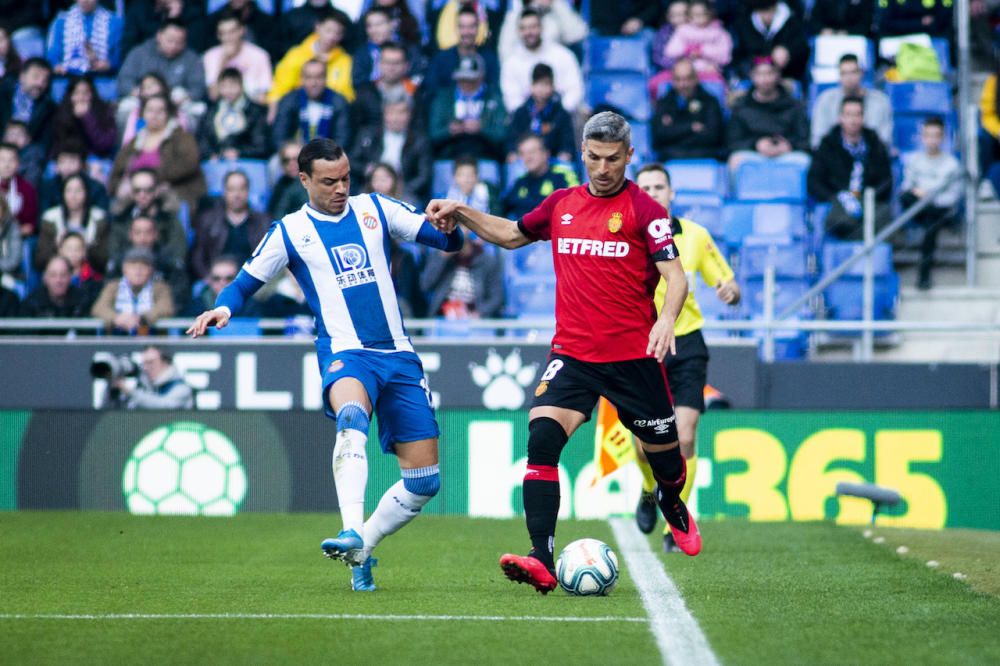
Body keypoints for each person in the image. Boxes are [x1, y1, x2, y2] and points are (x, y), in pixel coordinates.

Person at [425, 111, 699, 594]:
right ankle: (541, 558)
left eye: (613, 159)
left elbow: (676, 277)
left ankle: (671, 500)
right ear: (582, 154)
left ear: (629, 156)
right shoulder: (561, 204)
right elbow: (510, 234)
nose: (603, 168)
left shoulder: (646, 212)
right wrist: (461, 210)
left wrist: (664, 320)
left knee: (667, 459)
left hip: (633, 358)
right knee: (542, 440)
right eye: (593, 158)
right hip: (573, 354)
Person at [186, 137, 464, 592]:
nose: (341, 188)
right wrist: (223, 309)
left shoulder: (376, 208)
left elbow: (444, 241)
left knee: (424, 482)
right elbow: (243, 282)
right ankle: (351, 526)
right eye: (330, 181)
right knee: (352, 416)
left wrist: (450, 225)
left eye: (346, 178)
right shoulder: (290, 231)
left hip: (398, 354)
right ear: (304, 180)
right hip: (345, 352)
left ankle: (362, 548)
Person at [631, 163, 739, 551]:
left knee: (685, 436)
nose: (654, 192)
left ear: (671, 193)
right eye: (646, 187)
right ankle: (648, 490)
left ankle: (673, 518)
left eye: (660, 186)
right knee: (644, 444)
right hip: (641, 345)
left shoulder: (694, 236)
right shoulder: (626, 233)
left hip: (688, 343)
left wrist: (730, 292)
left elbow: (725, 281)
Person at [807, 96, 893, 240]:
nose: (853, 120)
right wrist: (837, 196)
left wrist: (869, 197)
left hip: (868, 201)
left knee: (883, 217)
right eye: (848, 114)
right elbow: (814, 181)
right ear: (840, 117)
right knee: (839, 220)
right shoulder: (827, 145)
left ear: (863, 117)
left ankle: (857, 250)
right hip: (837, 200)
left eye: (857, 114)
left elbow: (886, 180)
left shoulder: (875, 143)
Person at [108, 94, 207, 213]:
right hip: (136, 194)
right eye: (150, 110)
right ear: (143, 114)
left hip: (173, 191)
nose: (154, 115)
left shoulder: (182, 138)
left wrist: (154, 181)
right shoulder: (133, 143)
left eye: (160, 111)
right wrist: (120, 186)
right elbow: (116, 172)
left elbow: (189, 164)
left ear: (168, 114)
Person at [900, 117, 962, 290]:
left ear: (942, 138)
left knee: (931, 221)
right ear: (922, 137)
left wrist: (926, 196)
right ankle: (924, 276)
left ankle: (924, 276)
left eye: (936, 135)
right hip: (919, 209)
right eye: (928, 135)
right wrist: (925, 196)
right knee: (907, 199)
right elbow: (906, 188)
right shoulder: (914, 160)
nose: (932, 140)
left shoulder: (952, 164)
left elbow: (952, 197)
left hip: (938, 210)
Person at [726, 57, 810, 173]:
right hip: (753, 153)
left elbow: (804, 139)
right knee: (736, 160)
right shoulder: (741, 107)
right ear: (752, 76)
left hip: (787, 154)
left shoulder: (794, 106)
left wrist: (788, 145)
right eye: (760, 74)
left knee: (804, 161)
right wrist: (756, 144)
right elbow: (732, 142)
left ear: (778, 75)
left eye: (770, 73)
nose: (765, 79)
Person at [349, 93, 431, 201]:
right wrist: (366, 169)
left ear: (410, 114)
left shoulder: (419, 140)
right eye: (391, 112)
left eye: (401, 112)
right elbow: (353, 161)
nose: (395, 118)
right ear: (384, 114)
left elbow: (423, 176)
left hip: (405, 194)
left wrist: (399, 190)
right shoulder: (369, 135)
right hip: (370, 190)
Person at [500, 9, 584, 115]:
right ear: (518, 31)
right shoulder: (511, 63)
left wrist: (557, 116)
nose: (529, 32)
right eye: (524, 28)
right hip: (525, 122)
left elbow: (574, 90)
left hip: (561, 119)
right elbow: (512, 101)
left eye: (533, 27)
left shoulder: (563, 55)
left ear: (542, 27)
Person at [190, 169, 270, 279]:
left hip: (252, 282)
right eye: (231, 189)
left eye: (241, 189)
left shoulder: (264, 222)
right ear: (224, 192)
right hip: (216, 280)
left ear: (248, 191)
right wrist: (209, 279)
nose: (237, 195)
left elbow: (269, 259)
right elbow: (197, 256)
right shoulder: (208, 221)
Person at [269, 10, 356, 109]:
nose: (332, 37)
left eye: (338, 33)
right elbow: (280, 88)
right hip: (298, 111)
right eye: (329, 30)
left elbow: (348, 95)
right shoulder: (296, 55)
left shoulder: (346, 61)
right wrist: (274, 107)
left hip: (332, 114)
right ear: (318, 27)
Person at [429, 54, 507, 161]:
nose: (466, 83)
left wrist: (481, 129)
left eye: (471, 79)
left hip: (485, 156)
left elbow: (501, 134)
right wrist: (450, 130)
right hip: (450, 155)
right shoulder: (444, 98)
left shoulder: (493, 97)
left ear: (481, 77)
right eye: (462, 79)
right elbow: (433, 133)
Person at [116, 20, 208, 109]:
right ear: (159, 36)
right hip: (143, 99)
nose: (173, 46)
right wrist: (140, 93)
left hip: (177, 102)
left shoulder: (192, 58)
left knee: (199, 108)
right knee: (126, 107)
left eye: (179, 42)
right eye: (170, 40)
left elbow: (198, 87)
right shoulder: (140, 53)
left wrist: (184, 98)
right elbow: (124, 80)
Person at [106, 214, 189, 309]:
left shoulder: (169, 263)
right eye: (138, 233)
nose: (143, 238)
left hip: (162, 318)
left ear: (156, 235)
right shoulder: (118, 263)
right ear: (130, 235)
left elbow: (179, 297)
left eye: (148, 233)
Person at [421, 7, 500, 106]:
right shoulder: (440, 60)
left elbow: (495, 93)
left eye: (471, 27)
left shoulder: (489, 59)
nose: (467, 32)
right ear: (456, 28)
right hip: (447, 114)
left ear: (478, 28)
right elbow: (431, 92)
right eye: (462, 27)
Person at [810, 54, 892, 150]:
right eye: (844, 73)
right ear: (839, 76)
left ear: (861, 73)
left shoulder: (881, 101)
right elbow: (817, 140)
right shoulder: (825, 100)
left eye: (853, 72)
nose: (849, 78)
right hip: (833, 158)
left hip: (872, 157)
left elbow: (885, 139)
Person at [107, 168, 187, 264]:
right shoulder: (121, 219)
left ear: (156, 191)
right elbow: (114, 253)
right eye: (137, 190)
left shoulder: (170, 219)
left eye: (148, 190)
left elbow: (178, 253)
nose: (142, 195)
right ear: (131, 193)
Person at [652, 58, 726, 161]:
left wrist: (674, 131)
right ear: (672, 80)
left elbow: (714, 136)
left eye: (687, 79)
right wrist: (691, 127)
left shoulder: (710, 101)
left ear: (696, 78)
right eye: (678, 79)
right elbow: (659, 136)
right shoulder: (664, 103)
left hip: (705, 156)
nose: (683, 84)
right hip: (671, 157)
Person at [34, 172, 109, 272]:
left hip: (90, 274)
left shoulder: (99, 218)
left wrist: (86, 250)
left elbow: (104, 258)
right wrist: (57, 248)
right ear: (63, 193)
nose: (73, 196)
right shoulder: (50, 218)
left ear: (86, 193)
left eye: (78, 191)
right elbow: (41, 259)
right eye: (69, 191)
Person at [420, 231, 505, 320]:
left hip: (475, 319)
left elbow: (497, 298)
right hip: (443, 318)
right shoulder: (441, 259)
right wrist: (442, 258)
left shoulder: (487, 262)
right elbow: (425, 286)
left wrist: (480, 313)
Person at [91, 246, 175, 334]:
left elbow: (165, 308)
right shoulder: (113, 286)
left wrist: (141, 318)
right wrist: (117, 318)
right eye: (133, 267)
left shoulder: (160, 287)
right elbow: (99, 308)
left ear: (151, 270)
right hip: (117, 338)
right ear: (124, 269)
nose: (138, 272)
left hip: (151, 341)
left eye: (143, 267)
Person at [271, 59, 352, 149]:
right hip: (293, 157)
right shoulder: (289, 100)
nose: (314, 83)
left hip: (329, 157)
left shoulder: (339, 102)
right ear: (302, 79)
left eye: (319, 77)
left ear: (326, 78)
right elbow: (279, 137)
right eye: (309, 77)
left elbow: (343, 139)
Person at [506, 64, 575, 164]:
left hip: (553, 160)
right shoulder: (521, 112)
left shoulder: (561, 114)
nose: (542, 89)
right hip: (526, 160)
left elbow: (567, 142)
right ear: (532, 86)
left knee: (565, 166)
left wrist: (565, 153)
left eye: (546, 84)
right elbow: (512, 139)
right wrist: (512, 152)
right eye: (539, 84)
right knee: (515, 167)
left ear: (552, 87)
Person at [197, 67, 271, 160]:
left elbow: (261, 145)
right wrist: (210, 154)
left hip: (247, 161)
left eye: (232, 86)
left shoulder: (255, 111)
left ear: (241, 86)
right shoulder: (211, 111)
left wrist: (240, 152)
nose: (228, 91)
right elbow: (202, 140)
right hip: (216, 162)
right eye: (224, 86)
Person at [202, 9, 273, 105]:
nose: (228, 38)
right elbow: (213, 96)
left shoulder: (260, 56)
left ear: (242, 30)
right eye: (223, 33)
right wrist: (223, 61)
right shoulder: (210, 57)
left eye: (232, 32)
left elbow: (264, 98)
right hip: (219, 112)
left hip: (251, 111)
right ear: (218, 35)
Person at [502, 134, 578, 220]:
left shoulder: (563, 175)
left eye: (532, 152)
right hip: (525, 230)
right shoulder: (520, 182)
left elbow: (576, 204)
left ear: (546, 153)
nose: (528, 157)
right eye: (523, 154)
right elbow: (503, 207)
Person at [732, 0, 810, 81]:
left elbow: (803, 50)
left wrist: (788, 52)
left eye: (769, 10)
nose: (766, 16)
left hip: (787, 76)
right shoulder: (745, 24)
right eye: (762, 11)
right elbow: (742, 56)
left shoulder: (792, 22)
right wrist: (764, 61)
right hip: (753, 77)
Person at [45, 0, 124, 76]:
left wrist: (110, 65)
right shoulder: (60, 22)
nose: (85, 0)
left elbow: (119, 55)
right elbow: (52, 54)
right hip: (68, 77)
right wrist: (56, 66)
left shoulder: (115, 22)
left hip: (102, 77)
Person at [497, 0, 588, 63]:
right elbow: (505, 52)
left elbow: (578, 34)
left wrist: (555, 3)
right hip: (524, 73)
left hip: (554, 73)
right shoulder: (516, 16)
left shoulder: (555, 14)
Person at [664, 0, 732, 83]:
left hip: (711, 72)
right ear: (689, 16)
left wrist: (702, 50)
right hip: (685, 73)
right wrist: (687, 50)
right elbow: (670, 51)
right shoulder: (683, 31)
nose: (699, 18)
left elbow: (725, 56)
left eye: (702, 14)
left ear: (710, 14)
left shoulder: (718, 32)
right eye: (695, 15)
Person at [50, 76, 118, 159]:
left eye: (86, 93)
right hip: (70, 160)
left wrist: (87, 118)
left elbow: (105, 144)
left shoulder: (104, 112)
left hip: (97, 159)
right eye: (76, 93)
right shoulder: (61, 114)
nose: (81, 98)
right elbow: (59, 144)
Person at [0, 57, 55, 156]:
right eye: (36, 77)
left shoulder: (48, 108)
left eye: (45, 80)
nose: (40, 84)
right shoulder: (3, 93)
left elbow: (44, 143)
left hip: (27, 154)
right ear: (22, 76)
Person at [114, 345, 195, 410]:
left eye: (150, 362)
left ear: (165, 363)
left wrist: (129, 391)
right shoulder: (144, 386)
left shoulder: (181, 387)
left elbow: (163, 408)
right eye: (144, 363)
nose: (146, 368)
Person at [21, 254, 94, 318]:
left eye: (63, 275)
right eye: (53, 275)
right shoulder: (32, 304)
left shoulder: (83, 301)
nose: (58, 280)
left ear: (70, 277)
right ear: (45, 278)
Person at [0, 141, 39, 237]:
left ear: (18, 163)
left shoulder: (27, 189)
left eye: (11, 160)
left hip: (19, 238)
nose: (7, 165)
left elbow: (30, 225)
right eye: (2, 160)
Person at [269, 141, 309, 218]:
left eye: (296, 159)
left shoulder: (312, 186)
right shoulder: (280, 185)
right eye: (286, 160)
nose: (291, 163)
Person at [652, 1, 691, 72]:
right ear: (668, 17)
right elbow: (658, 58)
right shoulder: (663, 33)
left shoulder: (697, 31)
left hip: (694, 71)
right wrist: (678, 66)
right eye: (673, 15)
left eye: (682, 14)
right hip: (668, 71)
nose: (678, 19)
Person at [808, 0, 875, 36]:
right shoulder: (823, 1)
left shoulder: (864, 1)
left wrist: (848, 32)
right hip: (827, 38)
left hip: (854, 38)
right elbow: (814, 21)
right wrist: (822, 30)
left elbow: (866, 24)